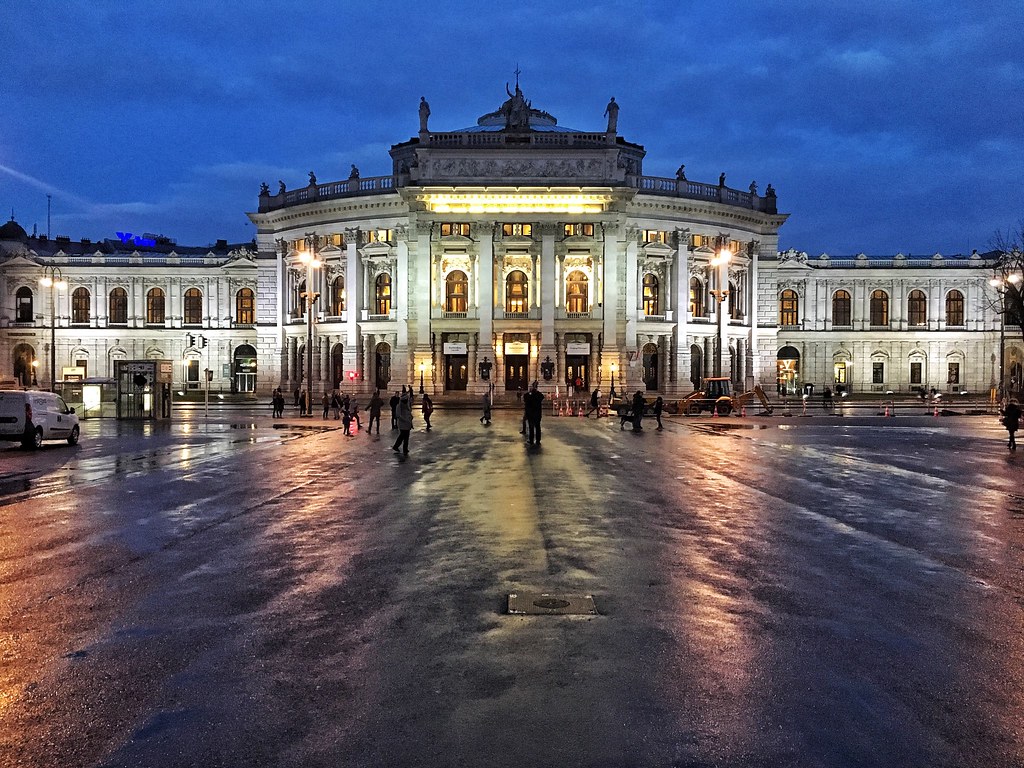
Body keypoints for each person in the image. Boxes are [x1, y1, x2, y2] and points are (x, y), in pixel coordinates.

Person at [523, 381, 545, 446]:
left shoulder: (529, 396)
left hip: (531, 414)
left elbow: (525, 397)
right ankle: (538, 440)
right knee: (537, 427)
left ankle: (531, 440)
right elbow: (542, 396)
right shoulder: (538, 395)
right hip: (537, 414)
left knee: (531, 427)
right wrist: (535, 391)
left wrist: (530, 392)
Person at [392, 391, 413, 455]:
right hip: (403, 424)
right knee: (403, 436)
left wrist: (410, 419)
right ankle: (397, 446)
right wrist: (406, 420)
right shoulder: (399, 406)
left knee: (405, 436)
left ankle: (404, 448)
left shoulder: (406, 406)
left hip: (407, 424)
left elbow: (409, 414)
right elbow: (398, 415)